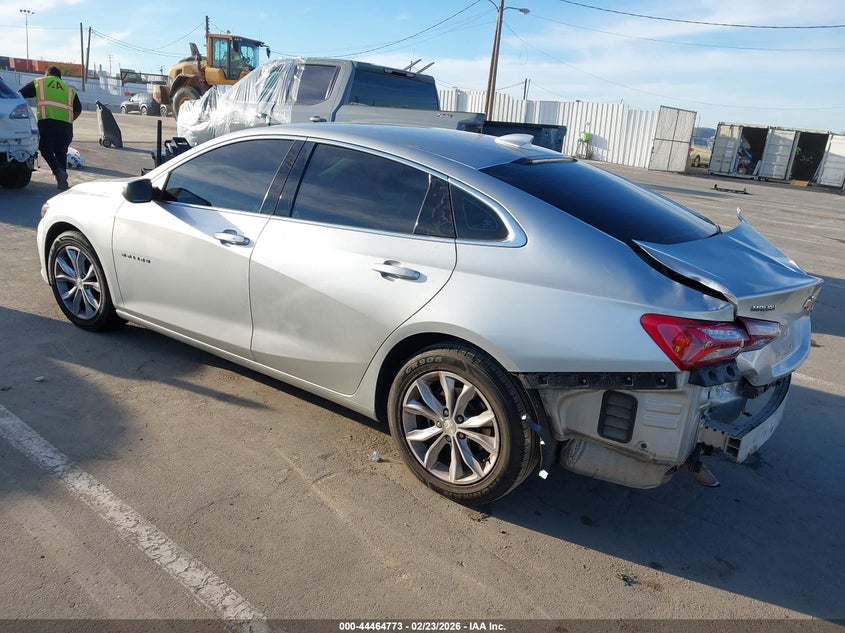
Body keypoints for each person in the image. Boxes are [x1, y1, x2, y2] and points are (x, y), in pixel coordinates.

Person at [19, 66, 82, 191]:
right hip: (66, 126)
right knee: (61, 151)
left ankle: (58, 171)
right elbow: (78, 109)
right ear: (60, 77)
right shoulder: (69, 89)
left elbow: (20, 94)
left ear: (47, 74)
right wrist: (69, 120)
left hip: (47, 122)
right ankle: (62, 181)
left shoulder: (40, 82)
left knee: (44, 148)